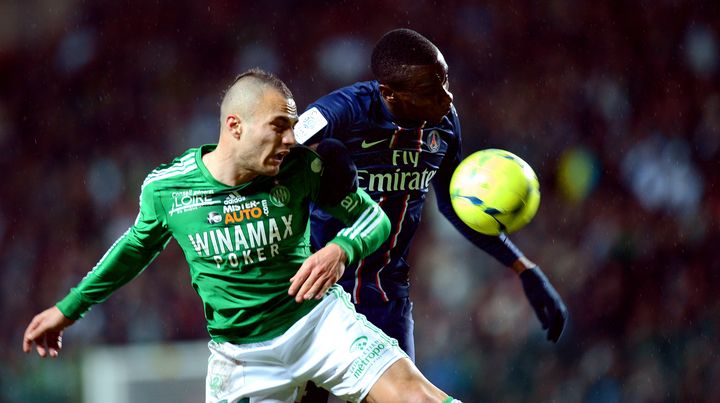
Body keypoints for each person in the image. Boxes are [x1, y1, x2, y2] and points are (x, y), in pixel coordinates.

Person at [22, 68, 463, 403]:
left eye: (292, 127)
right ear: (235, 126)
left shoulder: (303, 169)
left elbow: (376, 220)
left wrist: (340, 249)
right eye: (279, 126)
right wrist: (69, 308)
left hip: (320, 326)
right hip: (243, 360)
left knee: (417, 396)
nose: (292, 138)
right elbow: (134, 249)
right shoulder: (168, 189)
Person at [295, 28, 568, 385]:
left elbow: (456, 207)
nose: (446, 98)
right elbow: (275, 162)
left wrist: (522, 266)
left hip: (386, 295)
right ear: (389, 93)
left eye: (445, 82)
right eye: (429, 91)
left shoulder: (444, 125)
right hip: (316, 289)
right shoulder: (341, 112)